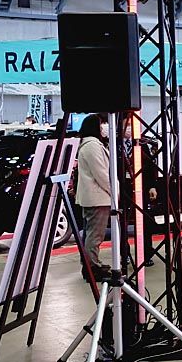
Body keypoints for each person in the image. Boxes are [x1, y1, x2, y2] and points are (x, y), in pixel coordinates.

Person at [74, 114, 111, 280]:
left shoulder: (90, 144)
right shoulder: (92, 146)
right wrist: (114, 191)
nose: (104, 127)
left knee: (91, 234)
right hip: (97, 198)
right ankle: (92, 268)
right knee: (95, 235)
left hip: (94, 197)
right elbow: (101, 174)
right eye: (102, 124)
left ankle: (92, 264)